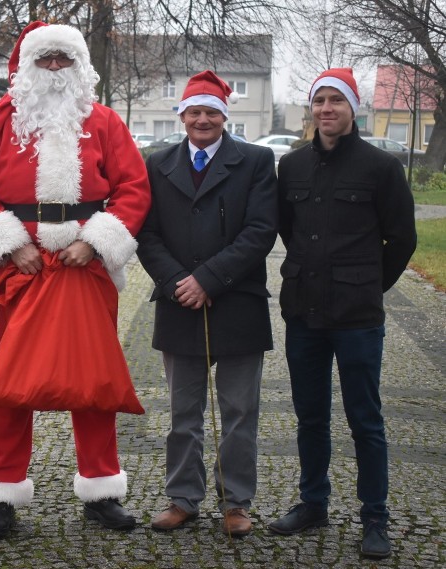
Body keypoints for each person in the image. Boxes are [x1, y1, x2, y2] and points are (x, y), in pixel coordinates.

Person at [0, 21, 151, 538]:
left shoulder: (105, 121)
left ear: (80, 65)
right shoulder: (2, 120)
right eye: (46, 60)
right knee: (12, 382)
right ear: (28, 67)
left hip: (85, 263)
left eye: (65, 59)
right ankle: (1, 493)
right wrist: (12, 244)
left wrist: (95, 242)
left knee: (93, 377)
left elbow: (133, 188)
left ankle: (102, 488)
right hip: (23, 265)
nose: (56, 69)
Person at [268, 68, 416, 559]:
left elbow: (402, 240)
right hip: (303, 313)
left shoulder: (381, 168)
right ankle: (314, 502)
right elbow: (289, 231)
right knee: (310, 416)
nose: (327, 108)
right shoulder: (290, 167)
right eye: (319, 100)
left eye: (336, 100)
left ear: (354, 108)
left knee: (365, 419)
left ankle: (375, 515)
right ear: (311, 109)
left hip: (357, 317)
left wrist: (367, 286)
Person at [136, 70, 278, 537]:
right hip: (178, 302)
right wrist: (181, 281)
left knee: (239, 412)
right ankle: (182, 498)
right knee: (183, 412)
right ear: (181, 115)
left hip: (237, 302)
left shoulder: (256, 161)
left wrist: (209, 279)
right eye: (193, 111)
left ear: (224, 116)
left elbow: (260, 230)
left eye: (211, 111)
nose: (202, 119)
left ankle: (236, 502)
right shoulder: (156, 164)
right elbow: (146, 232)